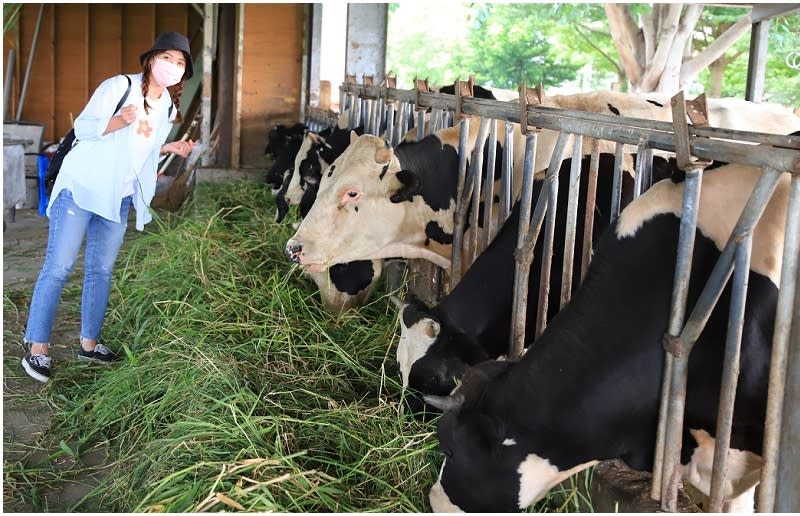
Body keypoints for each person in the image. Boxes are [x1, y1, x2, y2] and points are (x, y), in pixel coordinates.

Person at [21, 32, 196, 382]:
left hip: (117, 197)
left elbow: (142, 148)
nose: (173, 67)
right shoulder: (120, 86)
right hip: (81, 189)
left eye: (180, 63)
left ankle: (89, 343)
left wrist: (170, 148)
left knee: (101, 270)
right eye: (168, 58)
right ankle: (37, 348)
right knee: (59, 266)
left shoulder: (168, 107)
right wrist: (116, 121)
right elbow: (83, 127)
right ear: (151, 59)